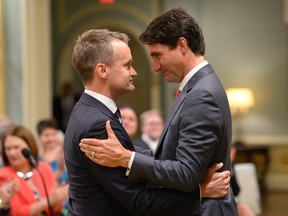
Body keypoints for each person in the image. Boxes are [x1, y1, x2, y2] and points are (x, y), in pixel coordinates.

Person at [79, 7, 237, 216]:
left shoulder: (202, 94)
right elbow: (171, 154)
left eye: (157, 55)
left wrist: (127, 158)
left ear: (182, 45)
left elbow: (187, 174)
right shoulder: (197, 88)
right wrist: (128, 152)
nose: (154, 66)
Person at [0, 125, 68, 215]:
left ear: (29, 147)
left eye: (16, 147)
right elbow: (16, 212)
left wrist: (58, 198)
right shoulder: (4, 174)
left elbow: (56, 210)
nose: (12, 153)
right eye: (8, 148)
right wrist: (50, 200)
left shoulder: (43, 168)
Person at [36, 119, 68, 184]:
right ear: (39, 137)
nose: (50, 139)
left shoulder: (65, 153)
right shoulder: (37, 158)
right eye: (46, 135)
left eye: (53, 135)